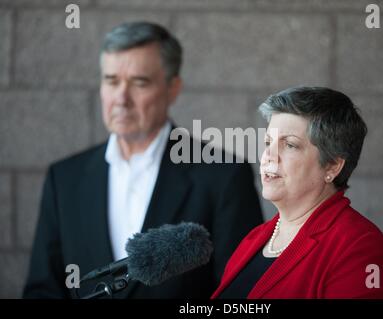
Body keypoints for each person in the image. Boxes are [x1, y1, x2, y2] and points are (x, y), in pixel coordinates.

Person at [23, 21, 263, 298]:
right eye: (111, 81)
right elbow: (42, 290)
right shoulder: (64, 178)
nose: (121, 98)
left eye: (139, 82)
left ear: (173, 88)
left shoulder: (224, 176)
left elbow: (241, 295)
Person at [212, 87, 383, 299]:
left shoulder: (358, 244)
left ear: (332, 166)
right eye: (268, 142)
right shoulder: (253, 239)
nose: (268, 156)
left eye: (290, 145)